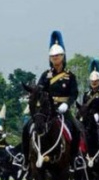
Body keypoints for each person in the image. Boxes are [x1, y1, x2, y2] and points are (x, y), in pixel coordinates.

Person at [23, 30, 80, 168]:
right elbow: (39, 90)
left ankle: (74, 160)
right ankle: (26, 160)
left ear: (63, 56)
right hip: (46, 110)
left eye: (58, 56)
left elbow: (74, 93)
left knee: (76, 129)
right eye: (53, 56)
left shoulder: (70, 76)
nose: (55, 58)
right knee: (27, 128)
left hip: (63, 110)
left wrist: (67, 104)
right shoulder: (45, 75)